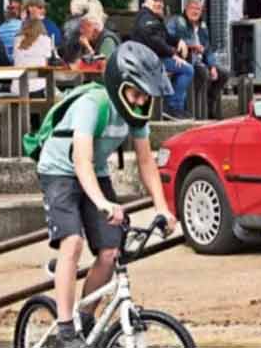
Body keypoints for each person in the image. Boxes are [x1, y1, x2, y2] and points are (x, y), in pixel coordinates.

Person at [39, 41, 177, 348]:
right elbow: (81, 162)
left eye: (146, 97)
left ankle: (84, 319)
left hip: (95, 173)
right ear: (119, 85)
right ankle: (64, 330)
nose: (141, 102)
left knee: (110, 252)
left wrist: (162, 208)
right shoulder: (93, 105)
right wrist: (102, 203)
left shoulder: (134, 115)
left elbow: (145, 162)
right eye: (136, 94)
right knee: (72, 242)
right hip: (60, 171)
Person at [131, 0, 191, 120]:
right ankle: (172, 108)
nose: (159, 3)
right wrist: (172, 54)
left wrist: (179, 41)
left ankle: (175, 106)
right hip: (148, 62)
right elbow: (155, 41)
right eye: (155, 0)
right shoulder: (146, 17)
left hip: (155, 59)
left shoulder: (154, 17)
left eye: (160, 0)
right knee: (187, 70)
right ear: (147, 0)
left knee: (186, 68)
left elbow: (166, 36)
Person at [168, 0, 229, 119]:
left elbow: (207, 48)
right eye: (193, 7)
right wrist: (190, 47)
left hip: (201, 62)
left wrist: (212, 65)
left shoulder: (202, 26)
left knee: (223, 73)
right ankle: (192, 108)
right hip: (186, 61)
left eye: (198, 9)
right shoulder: (176, 21)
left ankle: (208, 105)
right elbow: (168, 39)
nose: (195, 11)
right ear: (186, 7)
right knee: (202, 73)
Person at [14, 17, 54, 95]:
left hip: (17, 87)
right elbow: (47, 64)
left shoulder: (17, 39)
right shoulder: (46, 40)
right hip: (38, 87)